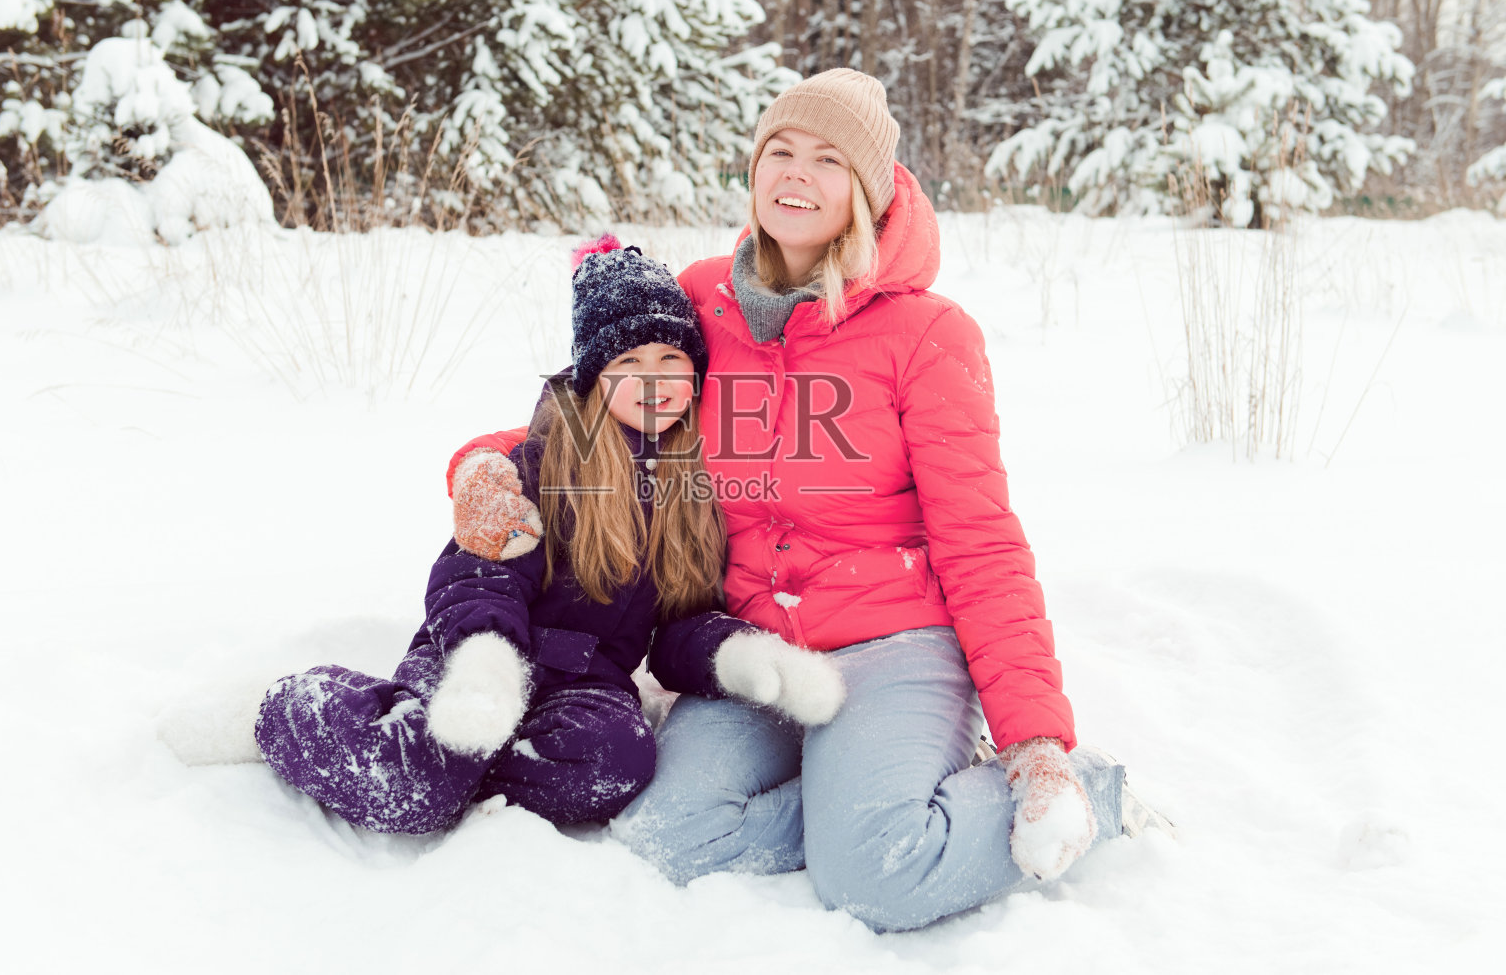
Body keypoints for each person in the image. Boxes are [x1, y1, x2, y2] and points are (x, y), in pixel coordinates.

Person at [448, 69, 1157, 930]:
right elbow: (593, 403)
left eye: (827, 159)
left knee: (880, 876)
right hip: (756, 651)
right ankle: (855, 808)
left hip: (895, 643)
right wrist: (485, 467)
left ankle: (1085, 792)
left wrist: (1037, 740)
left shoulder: (930, 336)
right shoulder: (706, 298)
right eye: (779, 150)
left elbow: (981, 542)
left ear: (867, 189)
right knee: (664, 835)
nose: (795, 172)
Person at [252, 238, 845, 833]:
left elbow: (680, 625)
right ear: (594, 377)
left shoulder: (698, 485)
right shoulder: (544, 462)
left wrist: (734, 657)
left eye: (670, 360)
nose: (652, 381)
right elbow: (481, 571)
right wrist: (486, 660)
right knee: (414, 788)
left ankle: (455, 770)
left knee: (612, 763)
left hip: (588, 684)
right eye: (627, 364)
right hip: (476, 656)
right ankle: (289, 709)